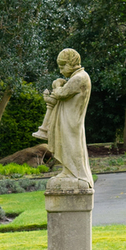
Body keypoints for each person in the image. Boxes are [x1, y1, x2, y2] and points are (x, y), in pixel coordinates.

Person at [32, 48, 93, 189]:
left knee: (71, 145)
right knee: (66, 145)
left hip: (71, 121)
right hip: (69, 119)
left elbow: (61, 93)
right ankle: (69, 171)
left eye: (62, 66)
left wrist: (56, 85)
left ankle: (77, 174)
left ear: (70, 63)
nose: (60, 71)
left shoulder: (79, 78)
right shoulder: (78, 77)